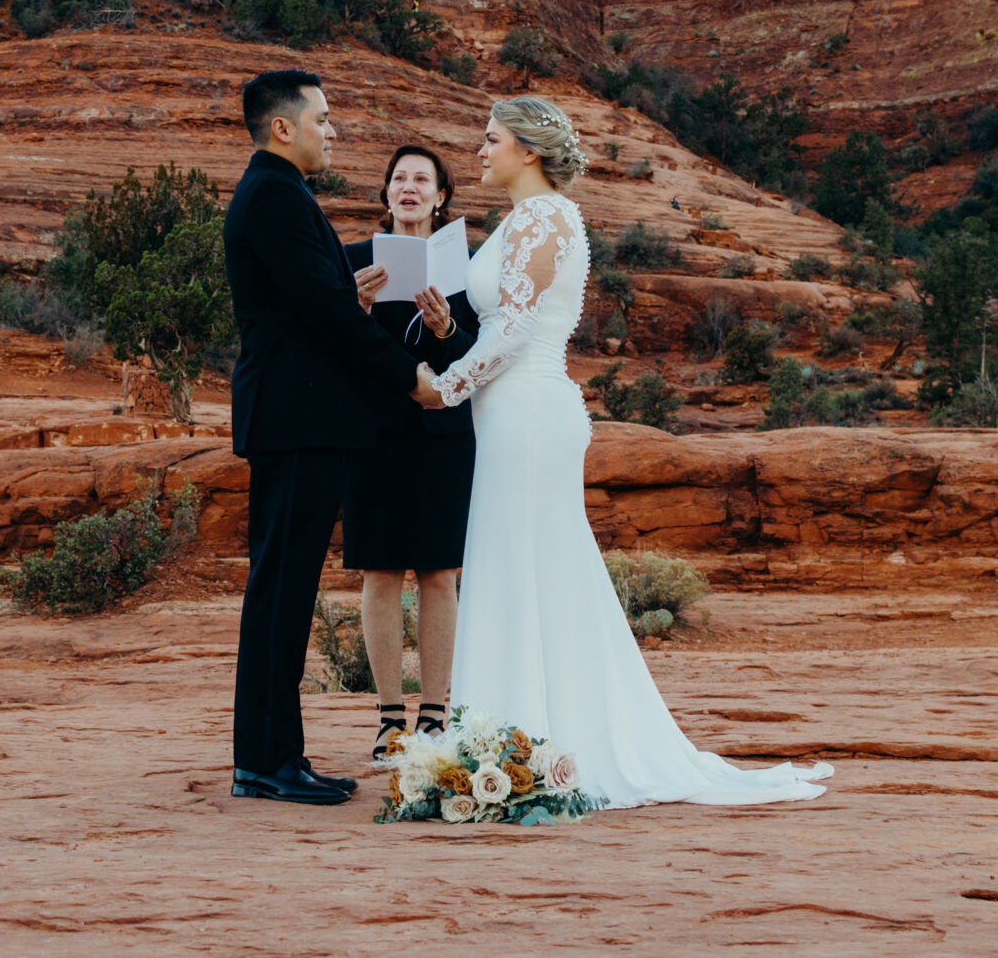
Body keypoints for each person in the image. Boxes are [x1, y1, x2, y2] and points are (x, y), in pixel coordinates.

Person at [436, 95, 835, 810]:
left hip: (528, 410)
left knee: (529, 562)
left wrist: (443, 386)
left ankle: (530, 744)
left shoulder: (548, 217)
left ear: (527, 148)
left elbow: (517, 330)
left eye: (489, 138)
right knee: (520, 563)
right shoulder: (520, 220)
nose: (478, 149)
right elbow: (492, 319)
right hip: (507, 414)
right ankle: (516, 740)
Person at [221, 69, 437, 805]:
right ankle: (266, 762)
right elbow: (325, 315)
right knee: (280, 591)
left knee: (283, 591)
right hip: (297, 418)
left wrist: (343, 282)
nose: (330, 128)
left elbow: (311, 294)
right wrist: (411, 375)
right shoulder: (277, 196)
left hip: (295, 417)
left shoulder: (278, 194)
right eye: (322, 117)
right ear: (284, 127)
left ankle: (276, 756)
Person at [341, 145, 479, 762]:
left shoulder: (467, 269)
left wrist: (448, 329)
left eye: (422, 179)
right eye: (399, 177)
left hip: (443, 435)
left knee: (438, 572)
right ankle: (389, 718)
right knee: (378, 571)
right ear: (386, 192)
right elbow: (330, 345)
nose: (409, 187)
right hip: (373, 432)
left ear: (441, 196)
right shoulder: (353, 263)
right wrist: (358, 308)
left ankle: (435, 715)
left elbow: (480, 352)